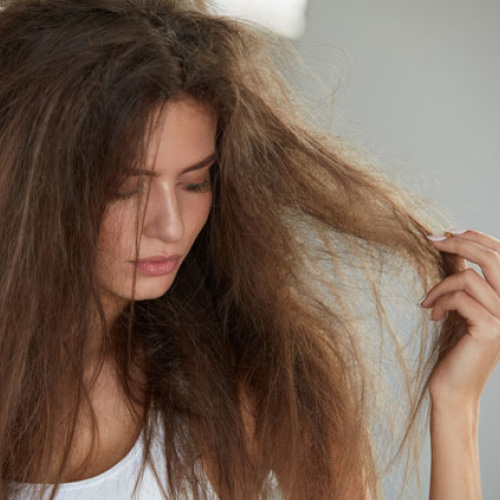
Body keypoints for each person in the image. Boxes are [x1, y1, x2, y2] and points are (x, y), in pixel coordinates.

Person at [0, 0, 496, 499]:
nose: (170, 227)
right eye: (125, 188)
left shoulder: (251, 386)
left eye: (195, 183)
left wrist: (457, 405)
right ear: (29, 186)